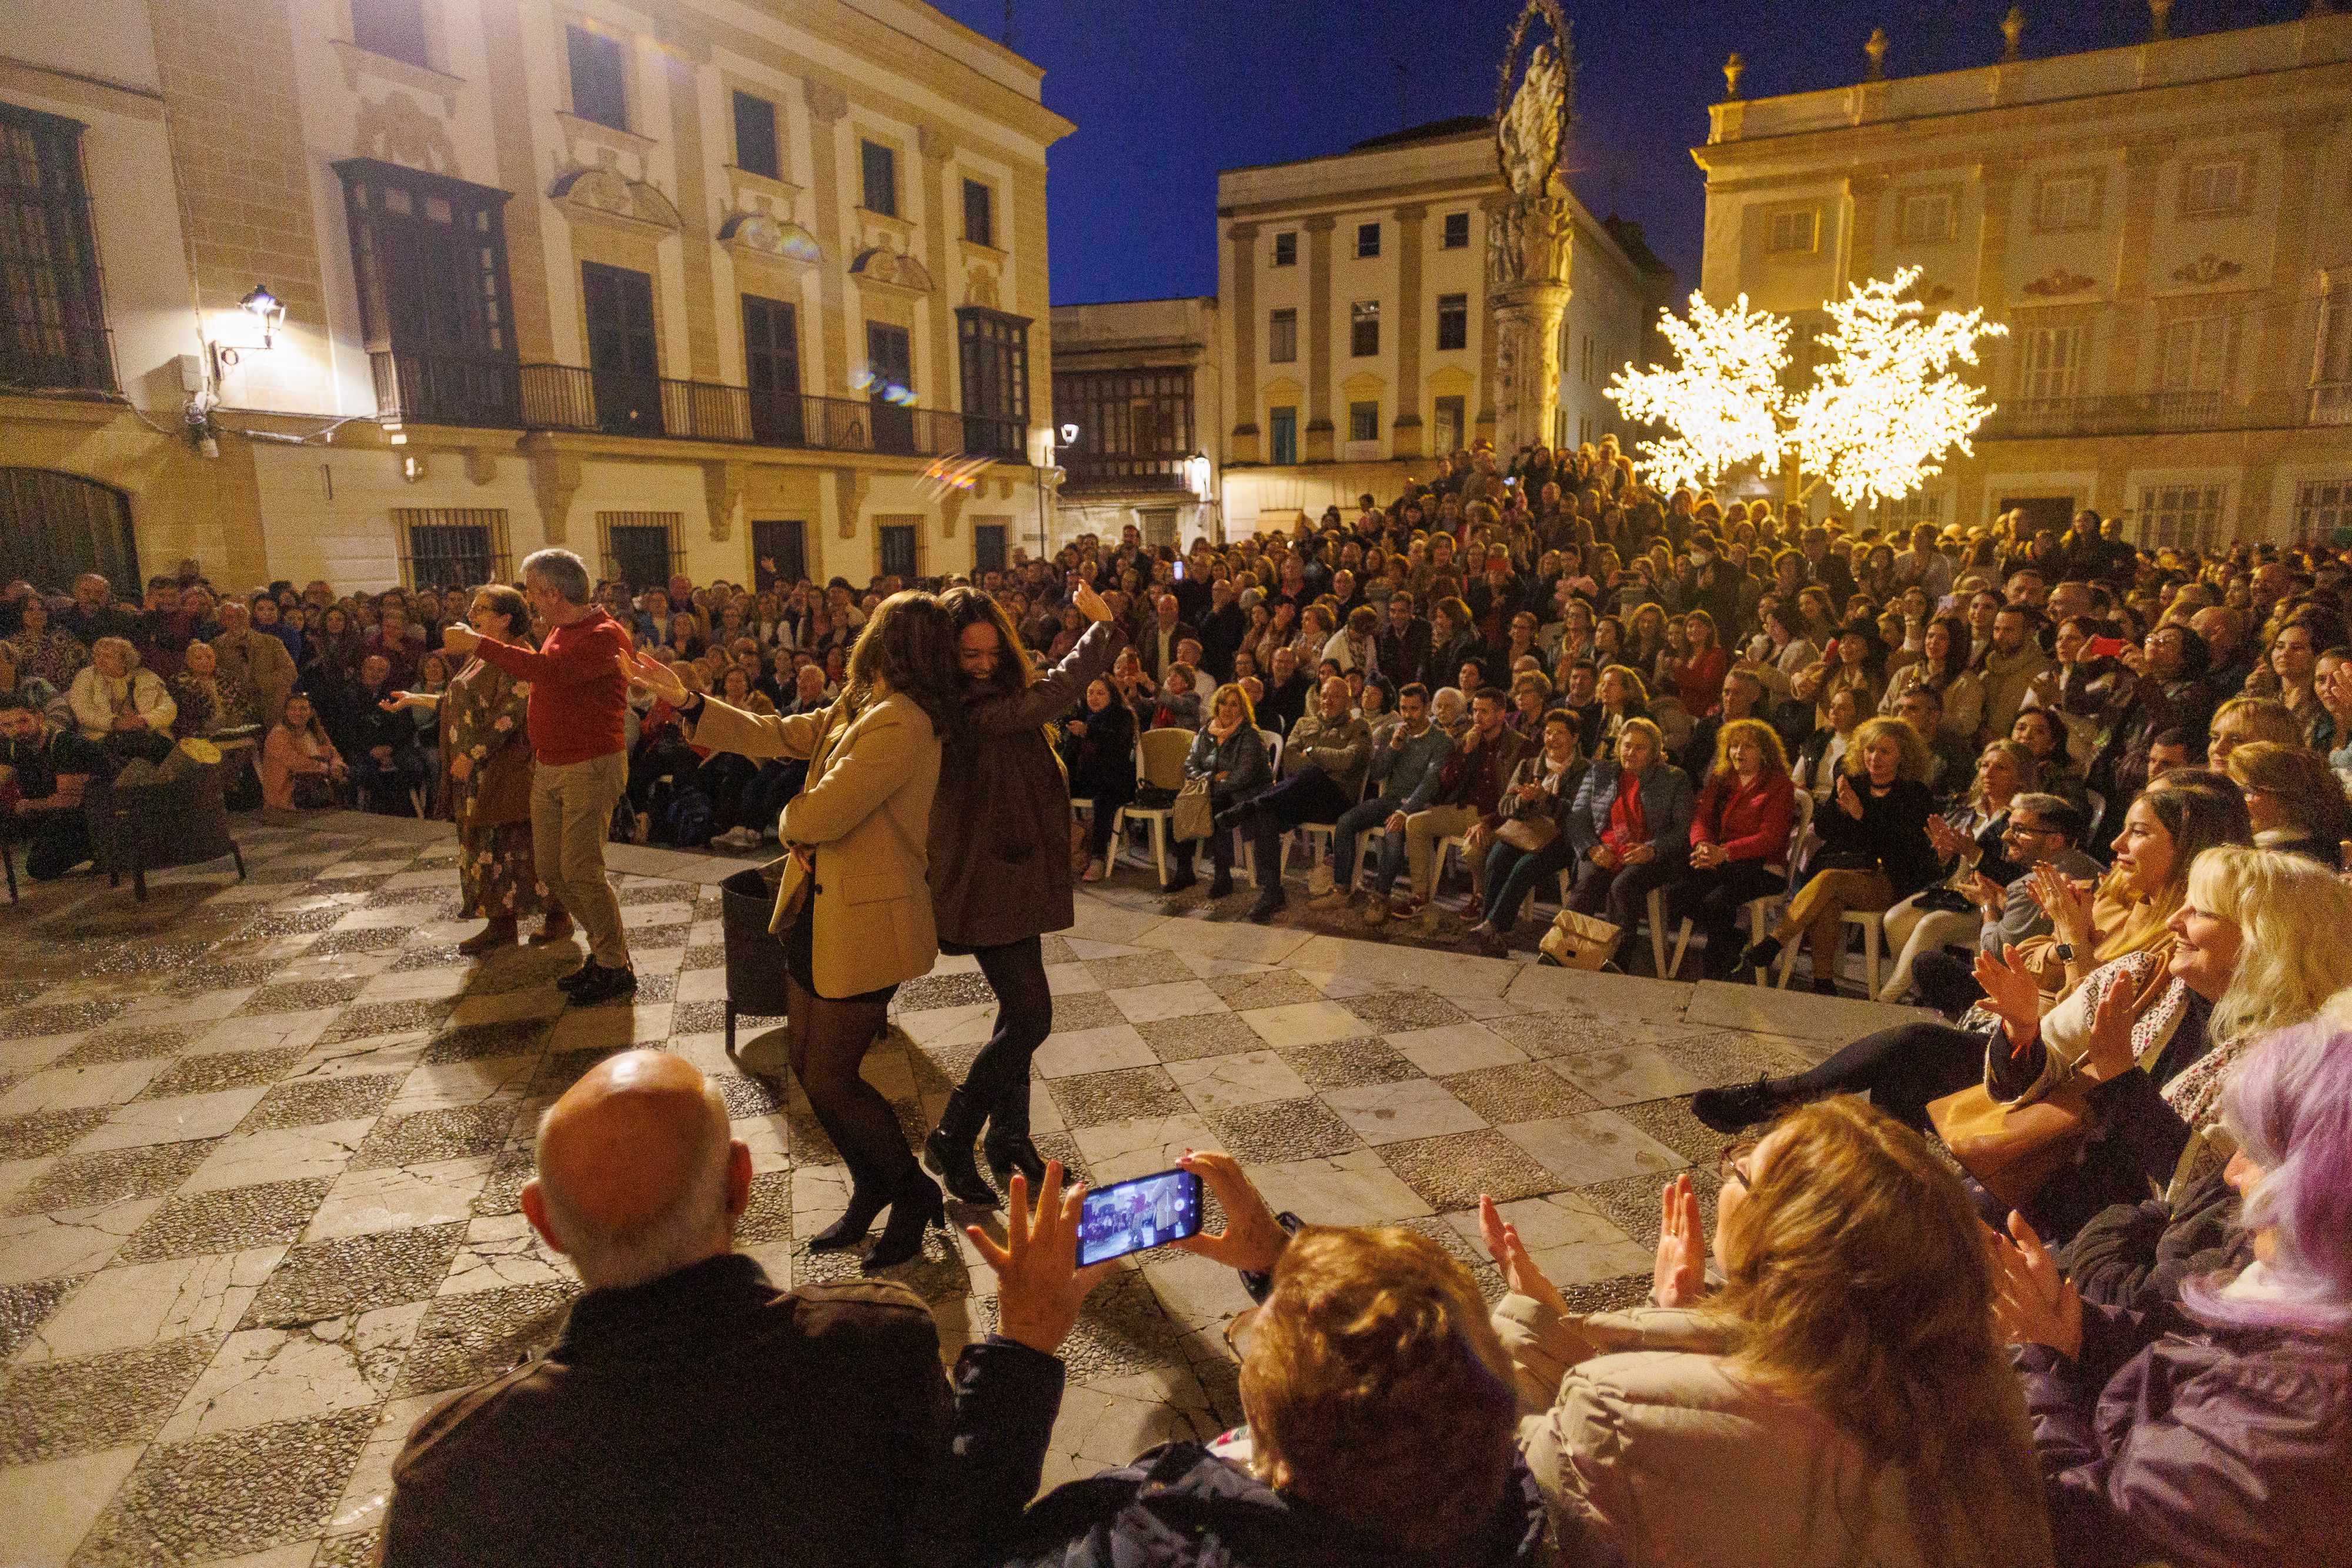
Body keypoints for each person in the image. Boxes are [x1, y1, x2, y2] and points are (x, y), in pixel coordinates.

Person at [378, 1049, 1065, 1568]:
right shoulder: (873, 1344)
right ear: (740, 1183)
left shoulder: (457, 1469)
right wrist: (1025, 1340)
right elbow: (958, 1539)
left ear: (544, 1221)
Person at [1483, 1096, 2052, 1567]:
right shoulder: (1979, 1389)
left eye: (1741, 1170)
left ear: (1786, 1236)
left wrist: (1527, 1326)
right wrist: (1678, 1317)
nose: (1728, 1173)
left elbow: (1495, 1485)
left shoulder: (1609, 1408)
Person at [981, 1154, 1549, 1568]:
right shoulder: (1495, 1496)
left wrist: (1021, 1347)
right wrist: (1280, 1258)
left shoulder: (1150, 1543)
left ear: (1276, 1463)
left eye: (1254, 1338)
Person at [629, 591, 959, 1269]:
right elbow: (778, 734)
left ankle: (912, 1192)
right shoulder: (862, 705)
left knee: (835, 1076)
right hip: (821, 905)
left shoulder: (903, 722)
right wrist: (690, 702)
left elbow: (817, 818)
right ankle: (873, 1185)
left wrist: (788, 825)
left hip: (867, 918)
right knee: (810, 1067)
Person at [1695, 779, 2252, 1141]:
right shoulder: (2123, 893)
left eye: (2138, 833)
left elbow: (2094, 1024)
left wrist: (2069, 941)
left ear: (2187, 845)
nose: (2118, 846)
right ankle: (1866, 1173)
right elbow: (2040, 958)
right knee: (1923, 1004)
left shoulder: (2185, 932)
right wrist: (2050, 944)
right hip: (2040, 1016)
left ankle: (1779, 1099)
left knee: (1913, 1045)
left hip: (2061, 1068)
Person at [1995, 1018, 2352, 1567]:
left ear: (2324, 1192)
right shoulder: (2308, 1308)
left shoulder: (2291, 1420)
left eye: (2256, 1151)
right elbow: (2197, 1353)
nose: (2231, 1173)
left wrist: (2038, 1359)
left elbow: (2063, 1528)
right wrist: (2080, 1333)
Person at [920, 581, 1118, 1205]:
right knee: (1033, 1016)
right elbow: (1052, 695)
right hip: (983, 881)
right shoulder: (957, 707)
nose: (981, 664)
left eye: (989, 653)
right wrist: (1101, 630)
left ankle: (1010, 1140)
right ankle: (953, 1137)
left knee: (1017, 1013)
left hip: (1012, 872)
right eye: (968, 655)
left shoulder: (996, 691)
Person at [443, 549, 639, 1006]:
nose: (528, 600)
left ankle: (614, 963)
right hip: (550, 765)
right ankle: (606, 951)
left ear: (554, 592)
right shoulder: (560, 629)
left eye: (531, 591)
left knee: (581, 869)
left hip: (589, 765)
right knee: (551, 868)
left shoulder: (605, 634)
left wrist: (479, 643)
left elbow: (550, 674)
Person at [384, 587, 567, 956]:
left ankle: (557, 916)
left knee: (522, 845)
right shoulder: (480, 653)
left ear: (505, 617)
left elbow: (512, 712)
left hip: (504, 769)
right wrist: (416, 699)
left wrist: (473, 754)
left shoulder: (517, 656)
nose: (472, 614)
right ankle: (500, 922)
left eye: (482, 609)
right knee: (484, 846)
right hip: (474, 771)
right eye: (473, 607)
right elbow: (466, 701)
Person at [1733, 716, 1937, 992]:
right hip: (1849, 870)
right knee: (1829, 899)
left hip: (1892, 880)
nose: (1874, 757)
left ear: (1902, 756)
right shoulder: (1855, 782)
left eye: (1884, 751)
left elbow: (1902, 850)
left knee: (1830, 880)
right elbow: (1827, 830)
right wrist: (1842, 808)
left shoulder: (1914, 794)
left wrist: (1861, 814)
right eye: (1870, 749)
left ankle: (1775, 941)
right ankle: (1824, 983)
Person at [1906, 792, 2103, 1018]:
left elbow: (1996, 953)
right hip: (2063, 983)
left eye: (2020, 830)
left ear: (2055, 840)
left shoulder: (2032, 884)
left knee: (1927, 964)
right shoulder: (2091, 867)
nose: (2006, 836)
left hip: (2036, 998)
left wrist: (1987, 905)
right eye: (2009, 827)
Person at [1365, 686, 1526, 928]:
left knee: (1472, 849)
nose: (1477, 717)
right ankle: (1420, 895)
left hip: (1498, 816)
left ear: (1501, 714)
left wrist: (1488, 821)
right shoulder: (1469, 739)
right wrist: (1465, 751)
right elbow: (1447, 781)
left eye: (1484, 712)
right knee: (1415, 822)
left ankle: (1480, 896)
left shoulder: (1519, 745)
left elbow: (1517, 798)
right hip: (1464, 809)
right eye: (1474, 711)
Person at [1216, 674, 1372, 922]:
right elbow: (1289, 762)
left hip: (1335, 801)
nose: (1327, 700)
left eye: (1334, 696)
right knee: (1267, 814)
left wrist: (1311, 752)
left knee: (1311, 772)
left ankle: (1251, 804)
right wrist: (1326, 761)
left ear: (1348, 700)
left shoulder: (1358, 727)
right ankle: (1272, 892)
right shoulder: (1303, 724)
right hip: (1301, 797)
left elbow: (1349, 761)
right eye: (1324, 695)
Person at [1559, 716, 1693, 964]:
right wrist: (1591, 848)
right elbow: (1577, 819)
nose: (1630, 752)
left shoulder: (1675, 779)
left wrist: (1652, 850)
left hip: (1652, 856)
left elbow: (1682, 830)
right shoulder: (1600, 772)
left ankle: (1618, 960)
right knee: (1588, 881)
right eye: (1626, 745)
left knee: (1623, 885)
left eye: (1639, 748)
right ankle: (1563, 952)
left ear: (1655, 752)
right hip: (1605, 848)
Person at [1678, 717, 1799, 979]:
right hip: (1721, 861)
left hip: (1762, 867)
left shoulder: (1779, 785)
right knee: (1679, 892)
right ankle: (1735, 940)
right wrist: (1702, 846)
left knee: (1717, 902)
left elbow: (1772, 837)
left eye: (1748, 747)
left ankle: (1714, 969)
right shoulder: (1722, 779)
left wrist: (1725, 852)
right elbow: (1702, 818)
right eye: (1734, 746)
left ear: (1765, 752)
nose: (1738, 752)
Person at [1462, 707, 1585, 955]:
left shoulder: (1585, 771)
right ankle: (1489, 930)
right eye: (1549, 733)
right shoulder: (1529, 766)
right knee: (1497, 858)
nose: (1552, 739)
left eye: (1560, 733)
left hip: (1560, 839)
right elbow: (1505, 806)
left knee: (1524, 867)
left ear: (1575, 738)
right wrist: (1524, 801)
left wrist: (1545, 800)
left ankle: (1494, 927)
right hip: (1523, 831)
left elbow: (1578, 815)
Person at [1320, 681, 1452, 910]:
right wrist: (1393, 748)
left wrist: (1404, 811)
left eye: (1414, 709)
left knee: (1393, 838)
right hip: (1390, 800)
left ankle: (1380, 896)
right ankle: (1341, 888)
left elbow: (1430, 783)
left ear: (1427, 707)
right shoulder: (1393, 732)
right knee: (1345, 822)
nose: (1408, 715)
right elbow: (1377, 774)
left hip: (1420, 806)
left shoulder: (1442, 741)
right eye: (1404, 708)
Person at [1166, 682, 1272, 899]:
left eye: (1234, 705)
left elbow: (1242, 777)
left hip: (1245, 795)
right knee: (1183, 806)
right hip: (1213, 790)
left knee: (1218, 811)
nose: (1227, 709)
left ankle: (1223, 877)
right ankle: (1184, 872)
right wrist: (1212, 778)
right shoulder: (1206, 732)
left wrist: (1213, 782)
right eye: (1223, 703)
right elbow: (1190, 765)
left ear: (1242, 708)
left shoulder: (1250, 735)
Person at [2222, 739, 2352, 867]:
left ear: (2288, 799)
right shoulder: (2317, 845)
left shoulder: (2271, 859)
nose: (2234, 801)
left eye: (2246, 791)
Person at [1061, 676, 1135, 882]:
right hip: (1087, 779)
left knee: (1104, 796)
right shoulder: (1081, 716)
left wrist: (1088, 732)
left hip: (1114, 779)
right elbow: (1069, 757)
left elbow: (1118, 747)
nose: (1094, 698)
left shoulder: (1122, 717)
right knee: (1054, 788)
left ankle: (1098, 857)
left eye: (1101, 693)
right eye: (1090, 692)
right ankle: (1063, 850)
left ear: (1112, 696)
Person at [65, 636, 175, 764]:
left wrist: (145, 720)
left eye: (108, 657)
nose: (100, 661)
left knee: (161, 749)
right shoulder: (87, 676)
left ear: (125, 661)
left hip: (147, 734)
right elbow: (82, 710)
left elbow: (169, 707)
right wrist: (114, 723)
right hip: (103, 736)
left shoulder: (147, 677)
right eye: (97, 656)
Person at [258, 691, 346, 810]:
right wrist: (324, 767)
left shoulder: (316, 733)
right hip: (289, 797)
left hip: (318, 791)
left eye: (303, 709)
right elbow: (295, 762)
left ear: (310, 712)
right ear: (286, 712)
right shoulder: (279, 735)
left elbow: (333, 754)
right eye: (293, 709)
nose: (298, 713)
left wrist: (336, 767)